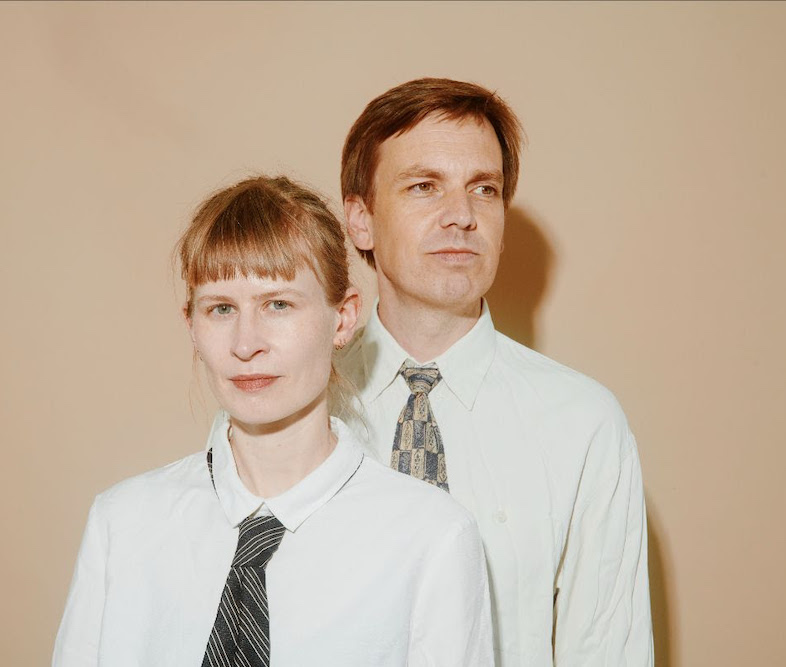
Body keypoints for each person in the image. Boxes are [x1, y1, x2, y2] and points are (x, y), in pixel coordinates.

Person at [53, 176, 493, 666]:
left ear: (344, 318)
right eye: (221, 309)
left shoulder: (432, 539)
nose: (246, 344)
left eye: (278, 304)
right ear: (191, 325)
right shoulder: (122, 523)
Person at [338, 78, 654, 666]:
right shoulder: (293, 404)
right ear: (361, 220)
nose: (462, 216)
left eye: (483, 189)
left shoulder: (584, 425)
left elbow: (606, 651)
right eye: (424, 186)